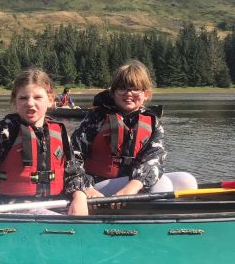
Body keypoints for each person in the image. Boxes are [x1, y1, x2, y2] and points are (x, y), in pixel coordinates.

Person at [0, 68, 89, 215]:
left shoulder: (60, 132)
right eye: (23, 98)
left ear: (50, 100)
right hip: (13, 207)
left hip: (56, 203)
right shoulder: (4, 131)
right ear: (15, 102)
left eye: (38, 97)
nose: (30, 103)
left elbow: (74, 172)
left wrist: (79, 196)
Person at [71, 59, 197, 198]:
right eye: (122, 88)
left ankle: (180, 217)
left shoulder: (152, 122)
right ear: (113, 93)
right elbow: (72, 156)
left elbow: (155, 158)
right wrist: (84, 188)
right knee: (161, 184)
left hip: (132, 183)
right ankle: (154, 217)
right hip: (96, 186)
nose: (129, 93)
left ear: (146, 94)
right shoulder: (95, 118)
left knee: (187, 180)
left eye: (135, 88)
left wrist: (132, 186)